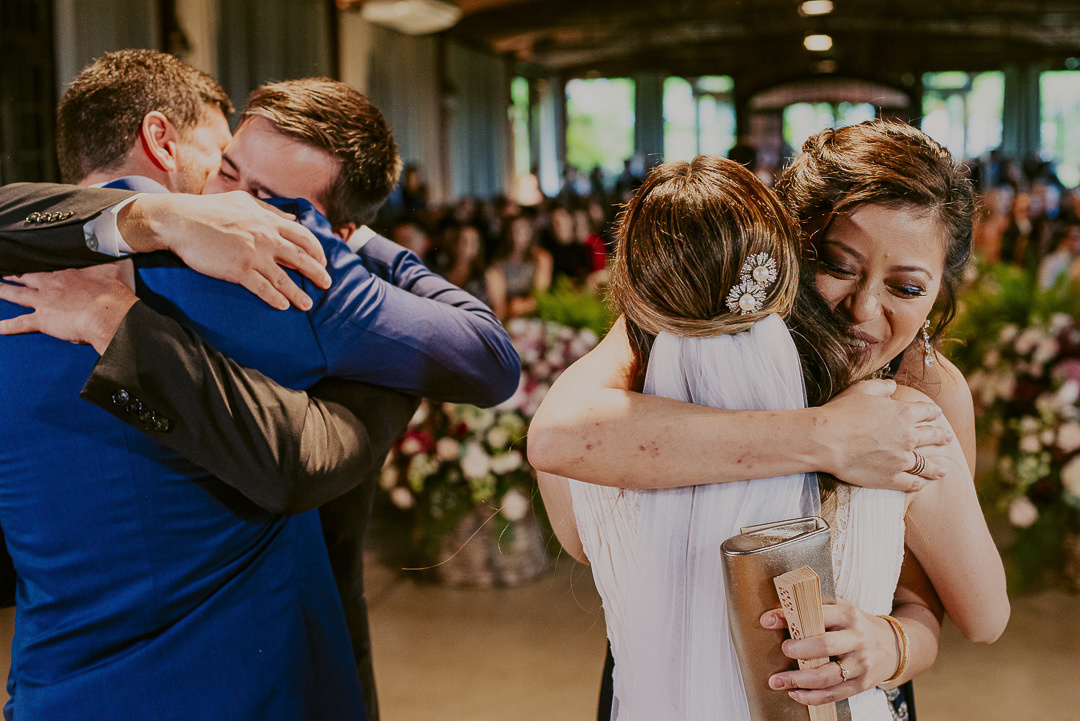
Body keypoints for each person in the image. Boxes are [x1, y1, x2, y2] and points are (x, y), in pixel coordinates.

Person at [0, 50, 519, 720]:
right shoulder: (281, 266)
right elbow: (485, 357)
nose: (235, 204)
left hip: (55, 692)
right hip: (246, 687)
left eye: (266, 196)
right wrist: (359, 247)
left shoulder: (15, 270)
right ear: (162, 140)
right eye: (223, 162)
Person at [528, 120, 1010, 715]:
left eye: (907, 288)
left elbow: (934, 598)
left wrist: (889, 644)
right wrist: (823, 439)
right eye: (837, 265)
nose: (863, 309)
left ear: (940, 291)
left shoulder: (928, 393)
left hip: (848, 682)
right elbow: (558, 437)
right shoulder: (691, 334)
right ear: (789, 245)